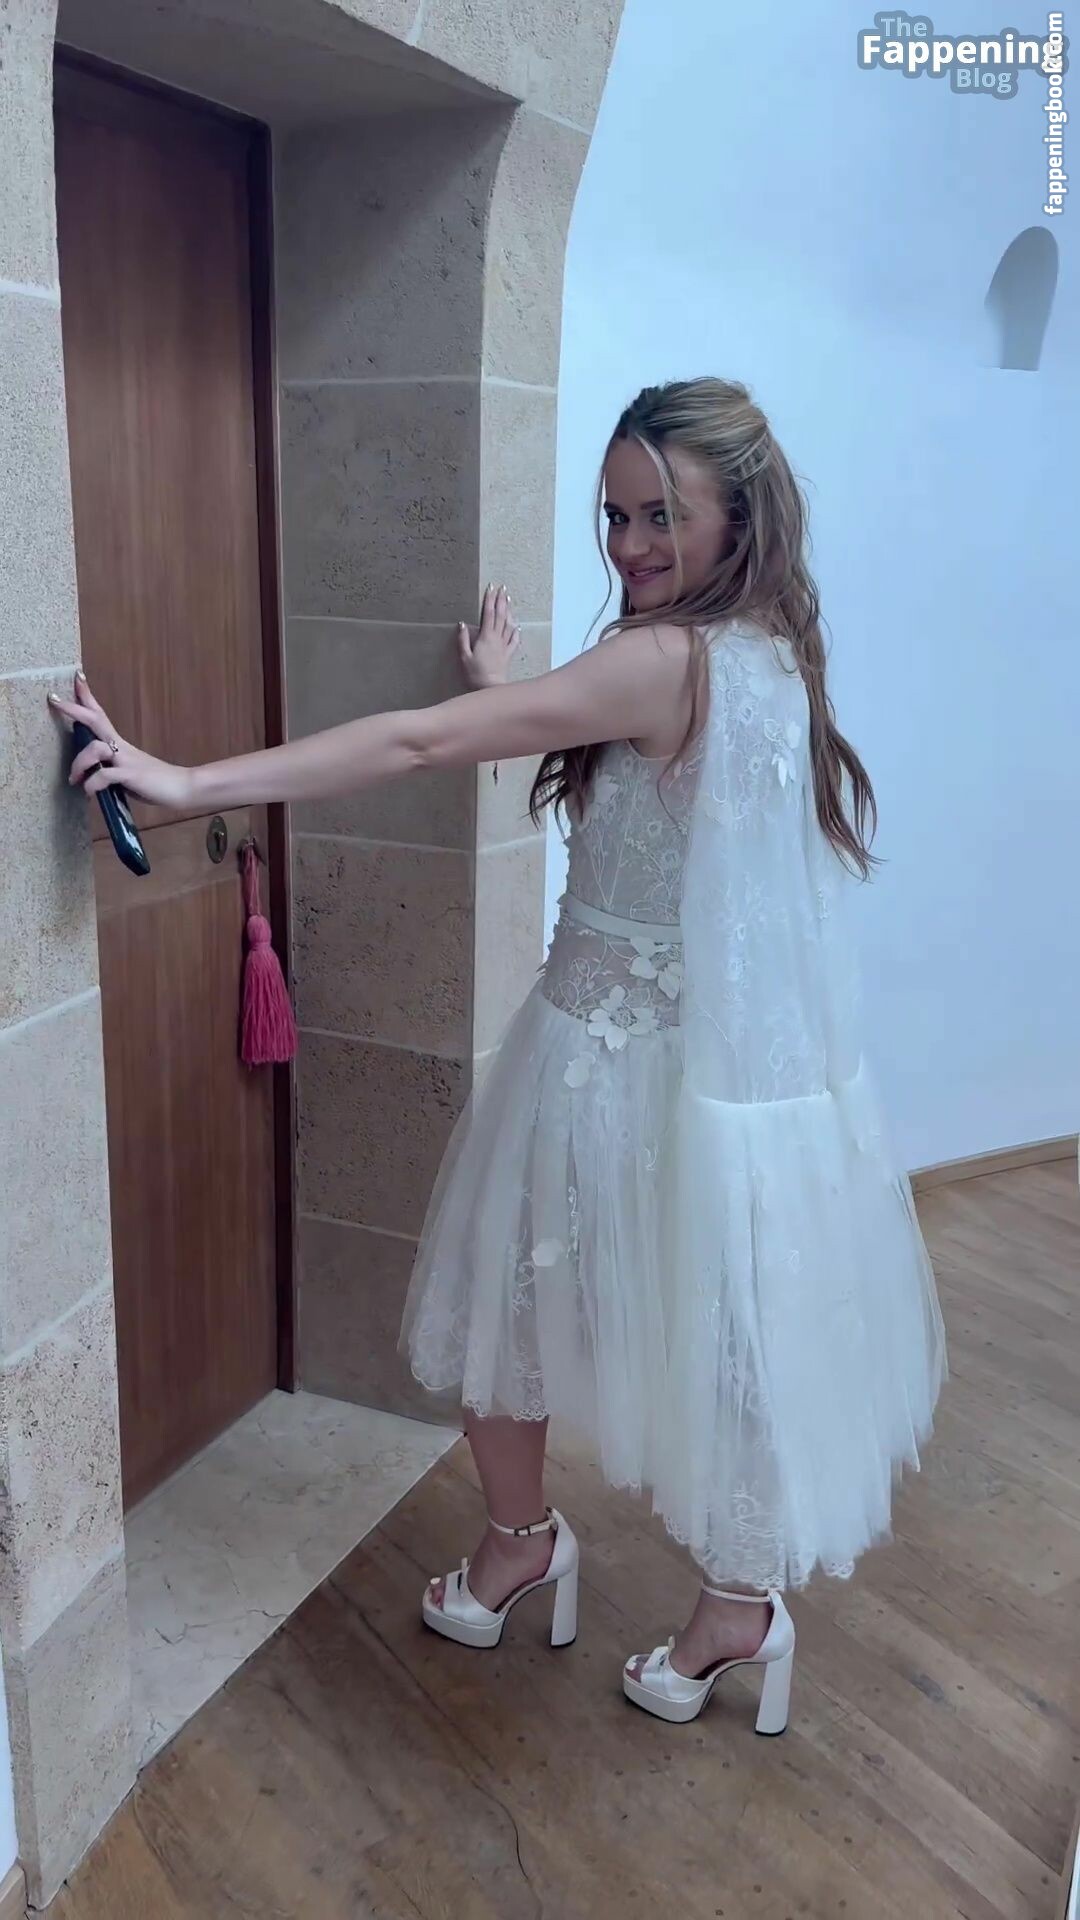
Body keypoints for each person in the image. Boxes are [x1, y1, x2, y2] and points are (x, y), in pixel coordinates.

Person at [51, 377, 946, 1733]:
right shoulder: (769, 651)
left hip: (599, 1063)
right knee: (713, 1334)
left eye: (661, 516)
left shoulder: (662, 662)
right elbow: (657, 796)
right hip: (708, 1082)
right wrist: (513, 696)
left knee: (511, 1313)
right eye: (615, 516)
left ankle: (540, 1548)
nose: (630, 546)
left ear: (742, 514)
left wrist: (185, 784)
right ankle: (728, 1603)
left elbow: (422, 743)